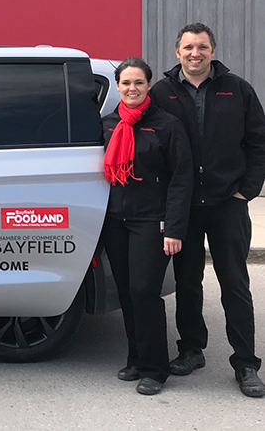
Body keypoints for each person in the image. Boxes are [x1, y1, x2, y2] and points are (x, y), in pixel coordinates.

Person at [150, 23, 265, 398]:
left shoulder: (238, 89)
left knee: (234, 283)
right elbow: (151, 143)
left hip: (226, 204)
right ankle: (191, 349)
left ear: (212, 49)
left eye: (201, 46)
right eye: (188, 47)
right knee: (187, 282)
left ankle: (246, 363)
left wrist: (245, 192)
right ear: (177, 50)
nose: (194, 53)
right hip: (184, 205)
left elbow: (257, 143)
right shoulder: (162, 92)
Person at [101, 57, 193, 395]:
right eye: (126, 83)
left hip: (152, 221)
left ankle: (156, 368)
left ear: (149, 85)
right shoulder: (110, 124)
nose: (132, 88)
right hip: (116, 220)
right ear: (118, 86)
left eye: (138, 82)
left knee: (144, 291)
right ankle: (136, 357)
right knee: (126, 293)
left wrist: (174, 229)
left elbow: (182, 180)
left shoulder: (167, 125)